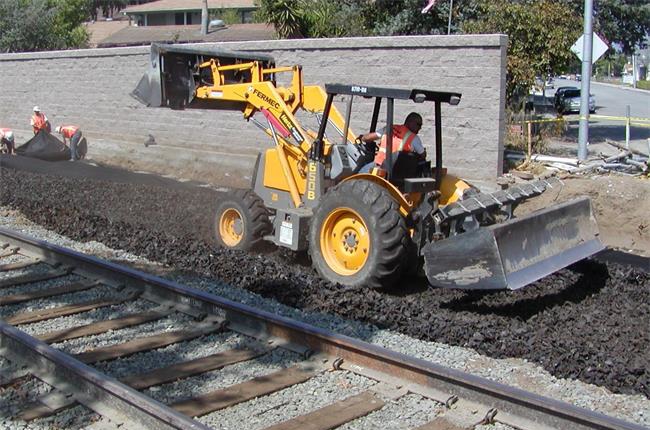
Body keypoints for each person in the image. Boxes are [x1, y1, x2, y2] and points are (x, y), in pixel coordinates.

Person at [358, 112, 426, 173]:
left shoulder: (390, 128)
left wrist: (362, 137)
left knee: (357, 179)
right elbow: (423, 155)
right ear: (410, 122)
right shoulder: (414, 138)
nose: (420, 128)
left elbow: (368, 138)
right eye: (419, 124)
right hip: (397, 172)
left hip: (379, 167)